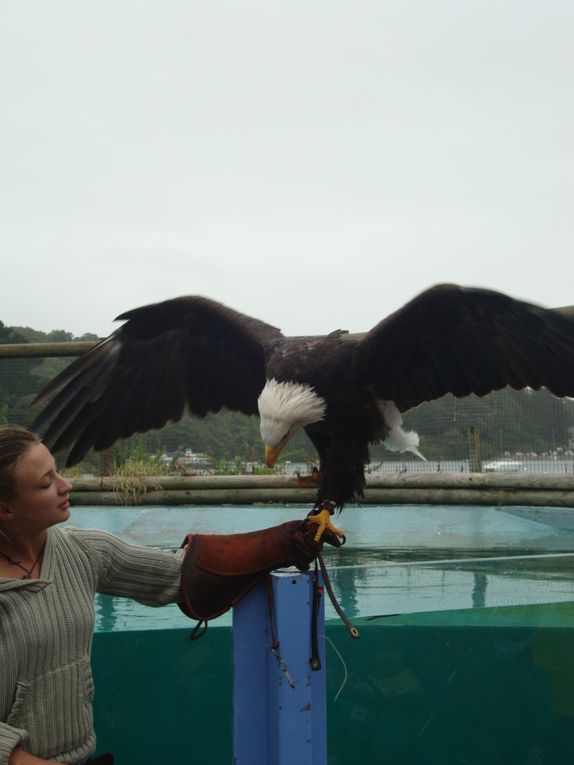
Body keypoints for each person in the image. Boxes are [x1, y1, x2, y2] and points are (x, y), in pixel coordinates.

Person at [0, 426, 331, 764]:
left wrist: (280, 543)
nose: (65, 484)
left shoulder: (82, 551)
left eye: (58, 472)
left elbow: (181, 575)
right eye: (45, 483)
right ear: (5, 509)